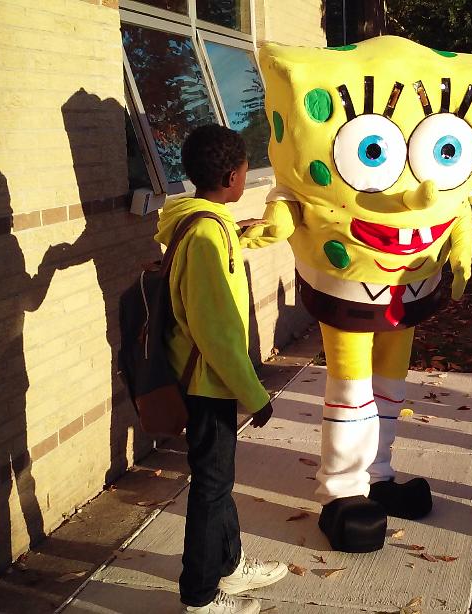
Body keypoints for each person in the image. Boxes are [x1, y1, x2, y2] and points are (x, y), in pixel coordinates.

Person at [158, 125, 287, 614]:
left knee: (218, 481)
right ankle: (200, 595)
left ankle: (229, 568)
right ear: (233, 176)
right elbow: (217, 332)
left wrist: (263, 221)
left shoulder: (203, 223)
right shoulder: (208, 237)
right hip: (207, 383)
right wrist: (255, 394)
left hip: (203, 379)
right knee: (210, 490)